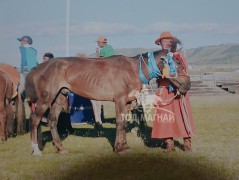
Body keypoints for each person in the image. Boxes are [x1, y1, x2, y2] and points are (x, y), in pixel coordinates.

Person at [151, 32, 196, 152]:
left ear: (172, 43)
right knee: (165, 117)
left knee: (182, 115)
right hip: (164, 90)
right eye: (163, 40)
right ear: (159, 43)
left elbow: (184, 72)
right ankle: (169, 143)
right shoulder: (157, 58)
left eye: (168, 40)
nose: (166, 43)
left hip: (178, 91)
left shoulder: (178, 57)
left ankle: (187, 143)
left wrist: (174, 77)